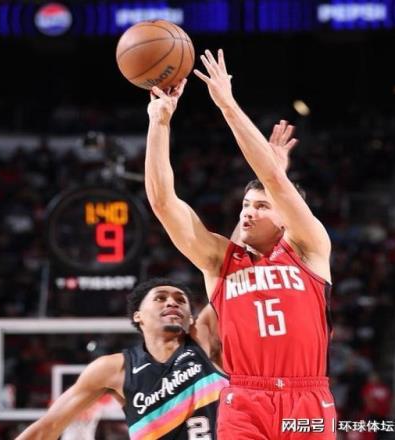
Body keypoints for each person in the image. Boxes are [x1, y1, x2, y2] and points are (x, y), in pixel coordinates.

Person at [145, 49, 335, 439]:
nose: (247, 212)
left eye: (260, 206)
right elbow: (163, 203)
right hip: (245, 398)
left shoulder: (310, 249)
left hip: (308, 396)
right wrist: (159, 122)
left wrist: (227, 105)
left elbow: (275, 181)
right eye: (245, 205)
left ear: (285, 216)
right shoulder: (220, 261)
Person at [15, 278, 228, 440]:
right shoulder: (115, 368)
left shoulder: (204, 340)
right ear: (138, 315)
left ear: (190, 318)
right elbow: (48, 427)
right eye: (160, 298)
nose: (172, 302)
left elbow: (225, 270)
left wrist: (244, 231)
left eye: (181, 300)